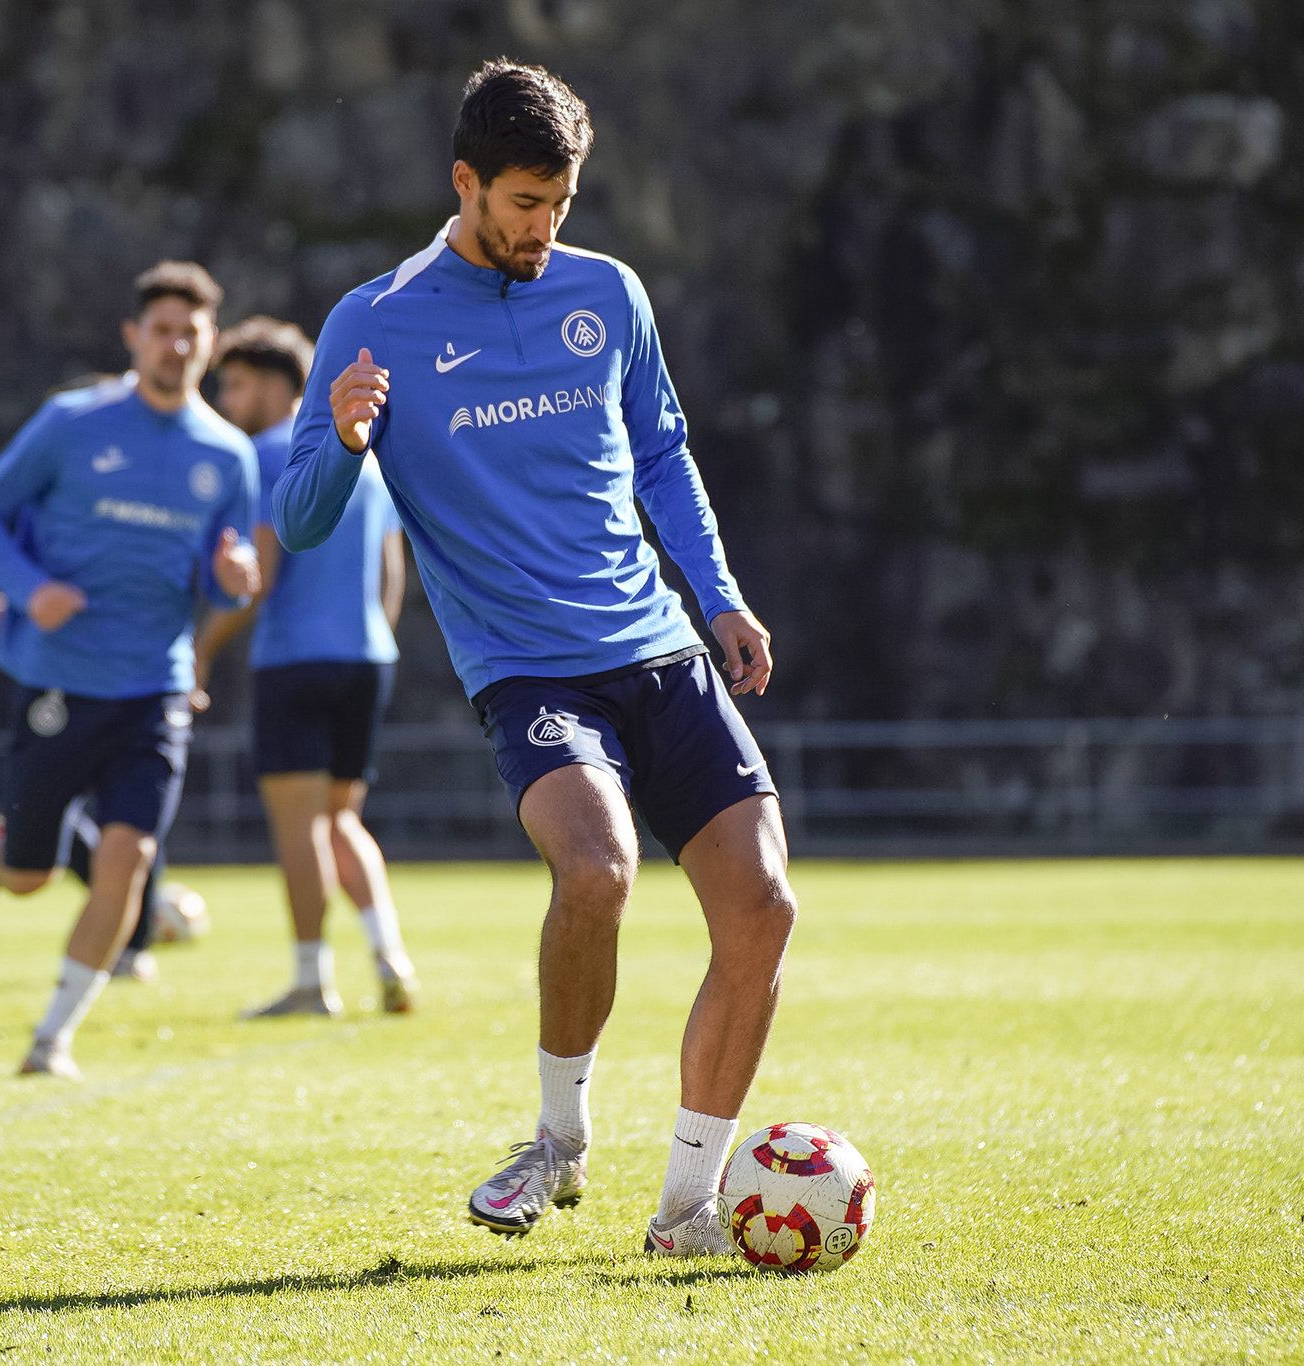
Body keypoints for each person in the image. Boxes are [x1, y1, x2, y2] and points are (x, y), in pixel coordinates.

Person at [274, 61, 798, 1256]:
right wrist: (347, 439)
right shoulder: (374, 318)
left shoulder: (607, 295)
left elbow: (662, 453)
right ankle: (557, 1144)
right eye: (520, 203)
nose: (541, 229)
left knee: (762, 907)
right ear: (463, 182)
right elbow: (299, 519)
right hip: (527, 669)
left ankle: (687, 1206)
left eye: (559, 204)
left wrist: (716, 597)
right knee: (598, 869)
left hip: (659, 648)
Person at [0, 261, 259, 1079]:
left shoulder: (227, 457)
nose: (176, 345)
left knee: (126, 863)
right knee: (29, 877)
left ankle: (52, 1038)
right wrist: (29, 589)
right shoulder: (69, 422)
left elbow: (219, 569)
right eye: (161, 330)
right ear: (134, 337)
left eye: (191, 333)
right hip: (60, 677)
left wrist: (231, 582)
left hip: (155, 688)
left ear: (213, 346)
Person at [190, 317, 419, 1018]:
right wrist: (374, 637)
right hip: (366, 659)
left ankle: (309, 981)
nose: (226, 401)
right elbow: (391, 570)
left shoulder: (262, 454)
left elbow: (257, 571)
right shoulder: (365, 455)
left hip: (295, 659)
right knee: (343, 818)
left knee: (300, 826)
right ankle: (390, 957)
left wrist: (199, 652)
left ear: (269, 383)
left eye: (232, 384)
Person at [0, 588, 210, 964]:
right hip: (62, 685)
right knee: (32, 873)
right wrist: (18, 595)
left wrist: (182, 669)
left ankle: (130, 948)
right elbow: (41, 550)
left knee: (136, 827)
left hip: (145, 689)